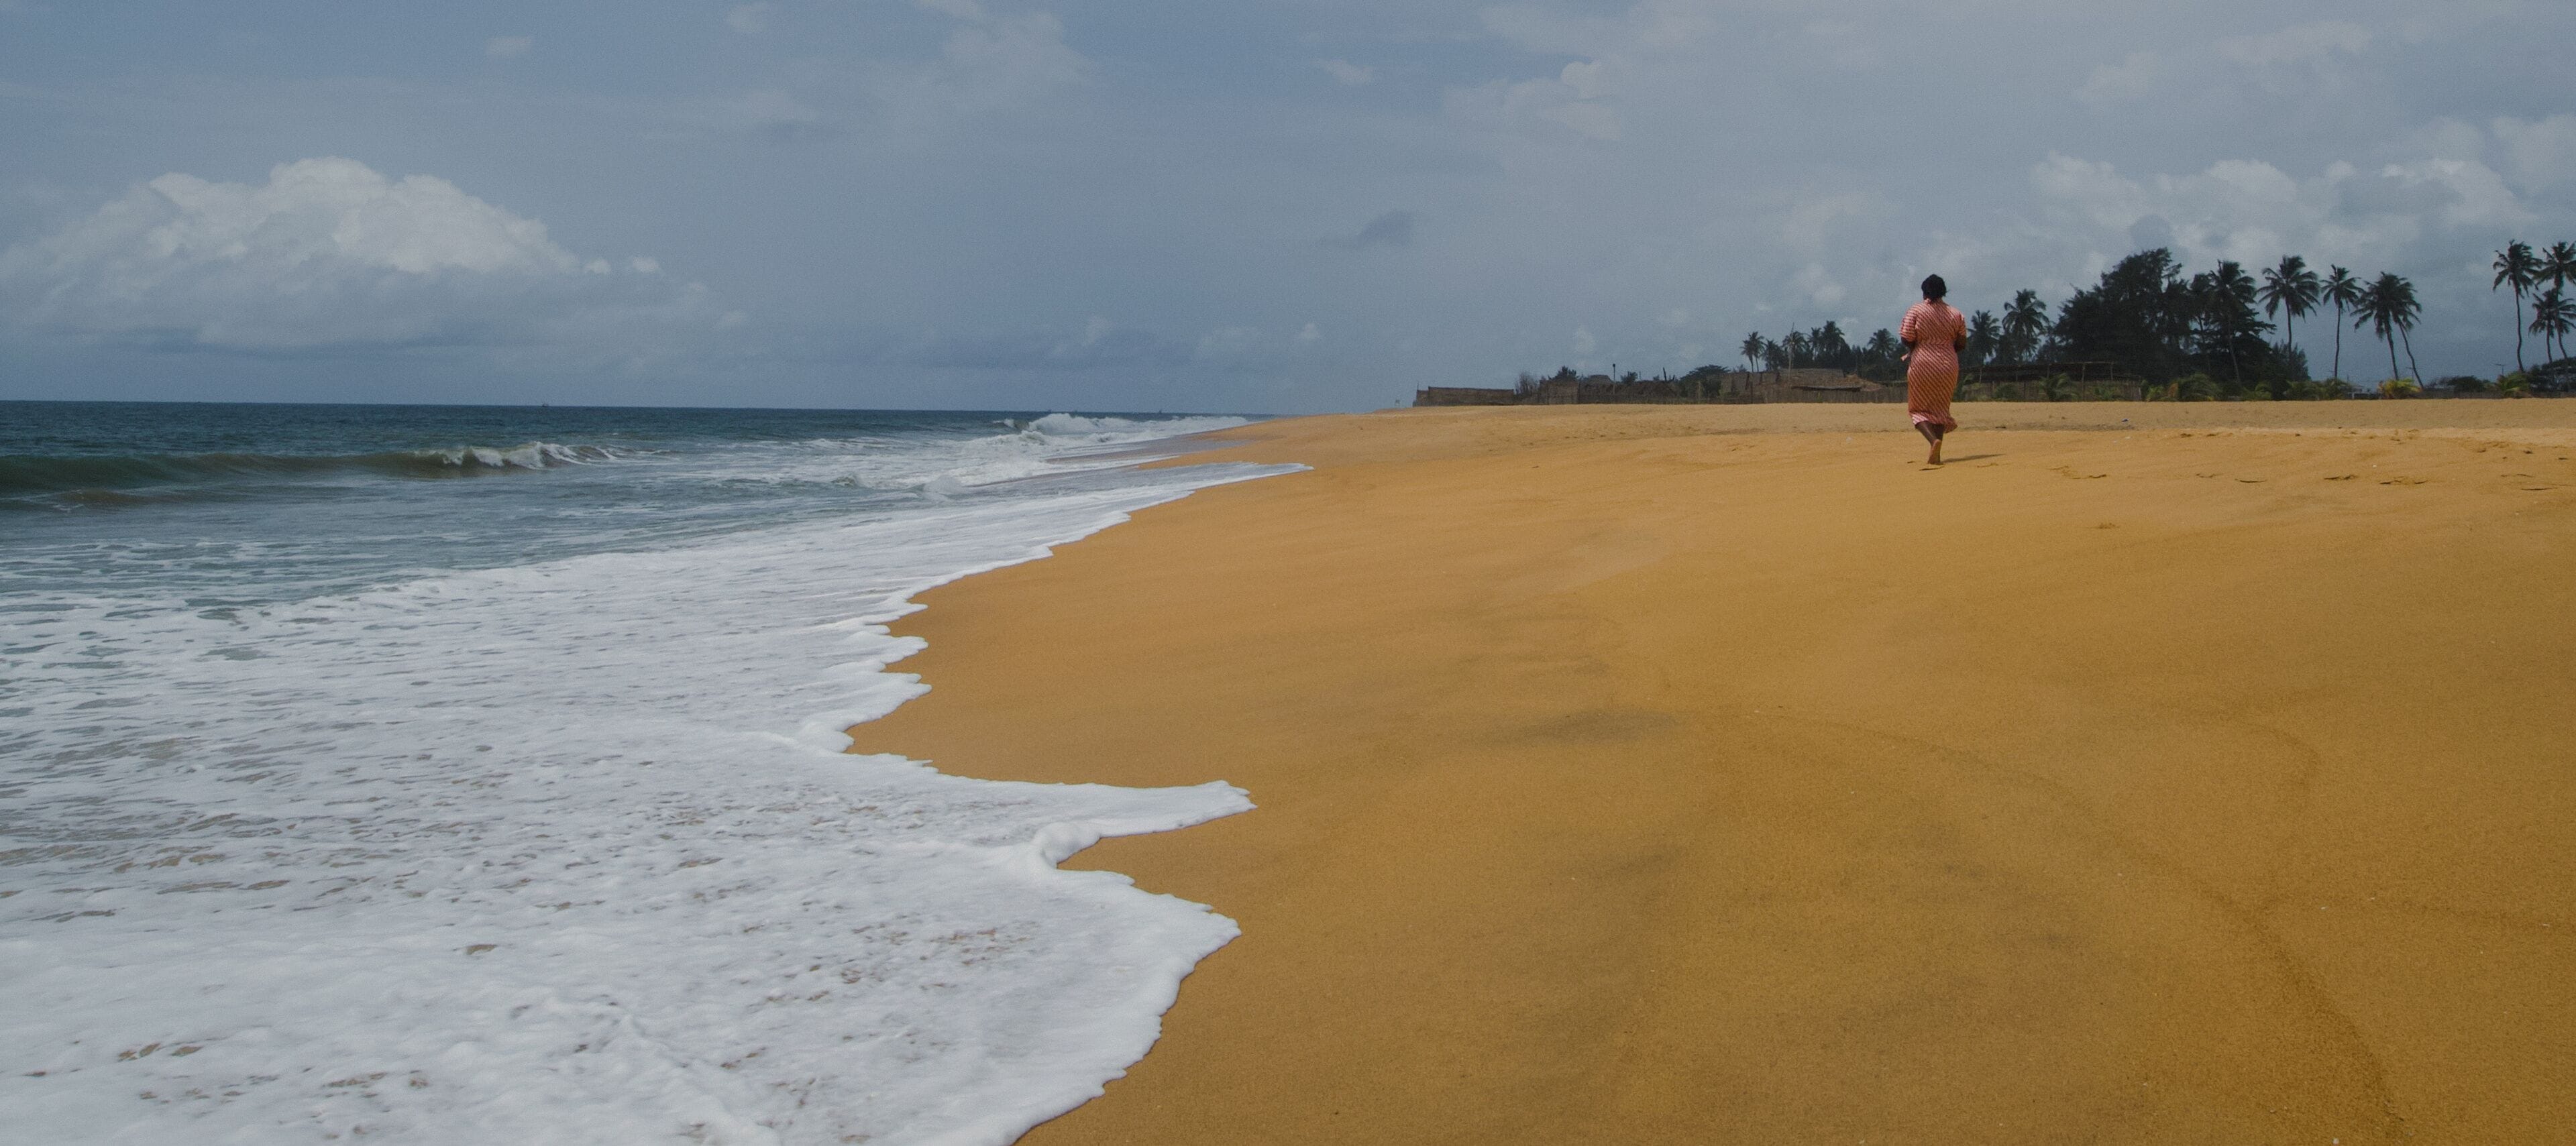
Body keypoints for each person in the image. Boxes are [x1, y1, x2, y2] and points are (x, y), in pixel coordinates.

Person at [1899, 275, 1968, 465]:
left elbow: (1906, 337)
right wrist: (1945, 348)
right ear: (1944, 292)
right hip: (1948, 363)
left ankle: (1933, 441)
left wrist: (1921, 345)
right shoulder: (1956, 314)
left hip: (1923, 362)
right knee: (1940, 409)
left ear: (1925, 292)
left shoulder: (1916, 310)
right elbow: (1962, 343)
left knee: (1918, 410)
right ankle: (1936, 454)